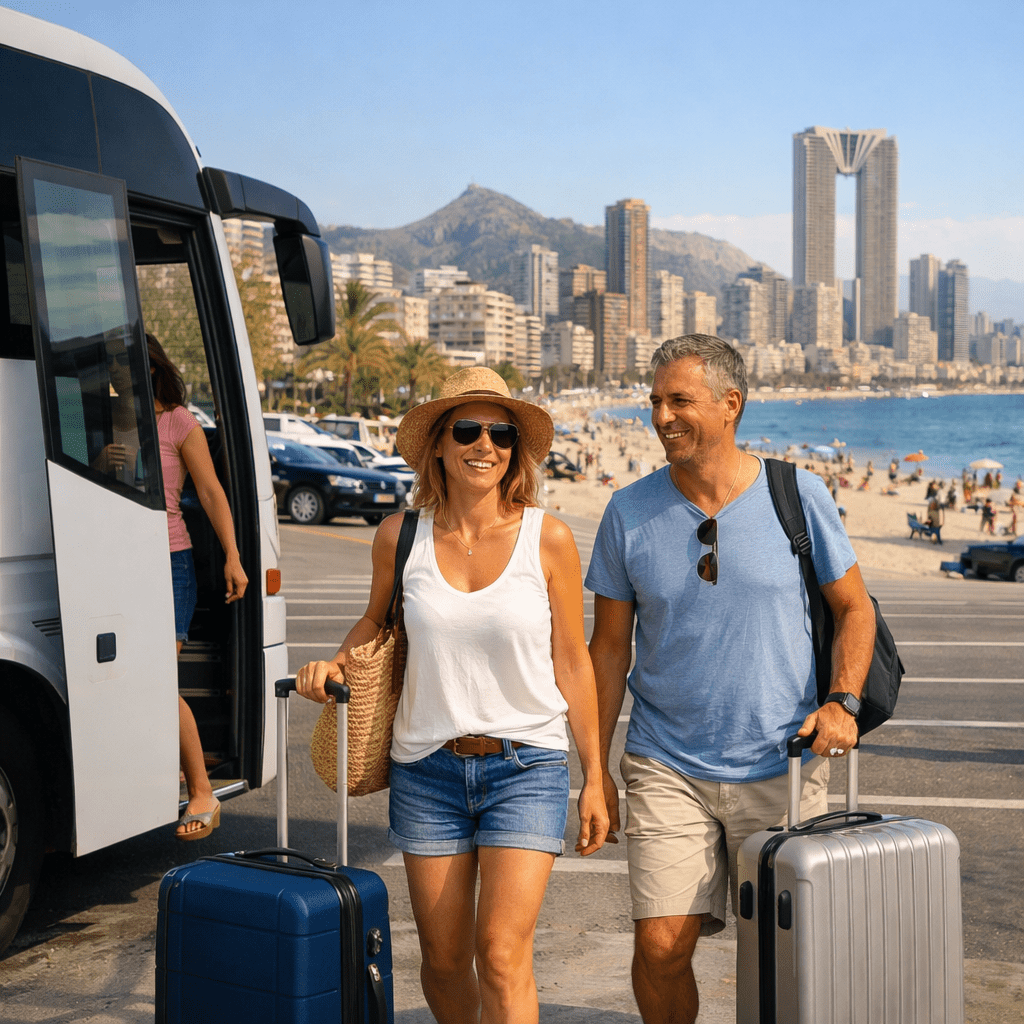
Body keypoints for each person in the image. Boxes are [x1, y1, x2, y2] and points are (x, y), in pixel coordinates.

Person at [294, 367, 608, 1023]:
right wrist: (337, 663)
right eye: (468, 429)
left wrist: (596, 776)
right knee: (441, 960)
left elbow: (573, 660)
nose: (485, 444)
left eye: (500, 433)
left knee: (499, 954)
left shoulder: (546, 538)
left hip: (527, 764)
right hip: (426, 769)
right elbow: (375, 620)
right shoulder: (399, 536)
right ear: (438, 443)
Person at [585, 335, 875, 1024]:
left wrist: (843, 701)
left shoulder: (797, 493)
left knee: (783, 952)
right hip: (666, 764)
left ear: (730, 405)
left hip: (785, 760)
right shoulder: (627, 512)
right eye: (654, 401)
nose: (661, 417)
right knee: (659, 945)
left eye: (679, 400)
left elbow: (854, 607)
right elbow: (606, 651)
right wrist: (594, 773)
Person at [146, 335, 248, 840]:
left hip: (168, 562)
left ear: (149, 370)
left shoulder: (178, 422)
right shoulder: (97, 419)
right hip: (108, 563)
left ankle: (202, 789)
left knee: (159, 681)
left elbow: (210, 491)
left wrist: (232, 555)